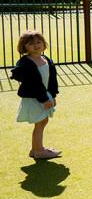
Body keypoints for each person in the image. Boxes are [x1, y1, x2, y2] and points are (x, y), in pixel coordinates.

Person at [11, 30, 60, 159]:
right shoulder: (26, 63)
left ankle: (35, 149)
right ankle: (39, 151)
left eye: (39, 42)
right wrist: (44, 100)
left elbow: (52, 80)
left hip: (44, 96)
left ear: (44, 44)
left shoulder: (46, 60)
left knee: (42, 121)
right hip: (35, 98)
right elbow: (34, 84)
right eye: (31, 43)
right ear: (24, 46)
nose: (36, 45)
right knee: (41, 121)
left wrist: (53, 95)